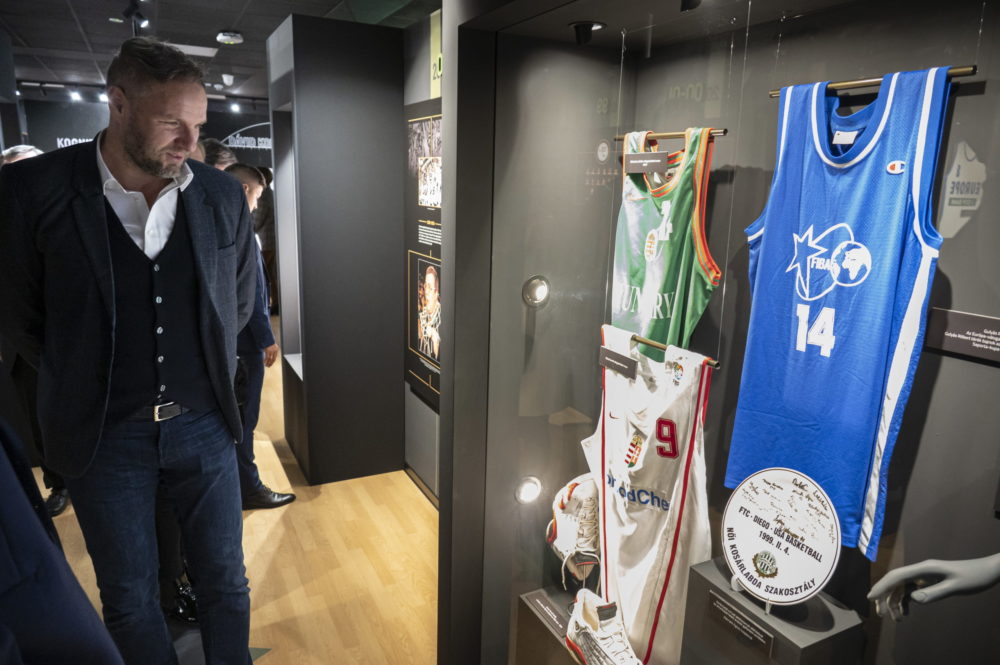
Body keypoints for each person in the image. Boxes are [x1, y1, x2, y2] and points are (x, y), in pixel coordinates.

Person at [0, 37, 256, 665]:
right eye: (172, 123)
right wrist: (84, 370)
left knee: (227, 580)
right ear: (117, 104)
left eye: (198, 125)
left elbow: (238, 301)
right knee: (129, 595)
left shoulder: (220, 195)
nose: (189, 142)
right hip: (103, 434)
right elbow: (21, 315)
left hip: (204, 425)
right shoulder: (34, 190)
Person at [0, 145, 69, 517]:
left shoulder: (68, 216)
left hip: (73, 340)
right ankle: (59, 483)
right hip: (21, 345)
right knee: (40, 419)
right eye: (11, 173)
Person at [224, 163, 295, 509]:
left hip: (233, 342)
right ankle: (248, 488)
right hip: (243, 344)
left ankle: (239, 485)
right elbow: (250, 294)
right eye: (257, 195)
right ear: (244, 190)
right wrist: (266, 338)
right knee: (244, 418)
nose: (256, 203)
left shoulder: (224, 227)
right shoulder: (239, 231)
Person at [254, 166, 278, 312]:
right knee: (270, 273)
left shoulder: (263, 196)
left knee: (265, 274)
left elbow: (258, 220)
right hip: (272, 240)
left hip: (267, 241)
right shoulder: (271, 193)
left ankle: (271, 304)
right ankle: (275, 303)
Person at [418, 264, 441, 359]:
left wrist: (435, 340)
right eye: (426, 286)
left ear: (437, 292)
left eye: (430, 288)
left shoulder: (443, 320)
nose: (426, 292)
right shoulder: (422, 315)